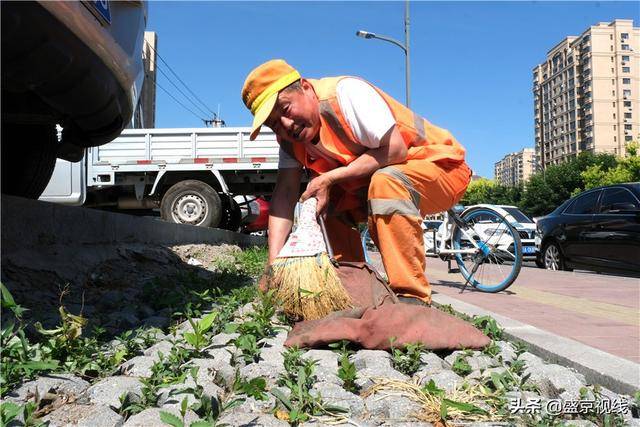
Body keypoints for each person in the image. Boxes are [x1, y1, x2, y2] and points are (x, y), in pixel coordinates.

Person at [241, 59, 471, 306]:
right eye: (274, 124)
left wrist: (330, 177)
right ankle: (356, 291)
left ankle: (410, 297)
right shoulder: (289, 141)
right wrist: (274, 265)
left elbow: (395, 150)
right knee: (325, 205)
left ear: (306, 88)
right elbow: (284, 195)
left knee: (386, 182)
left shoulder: (344, 95)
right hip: (376, 182)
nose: (286, 126)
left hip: (442, 167)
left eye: (285, 110)